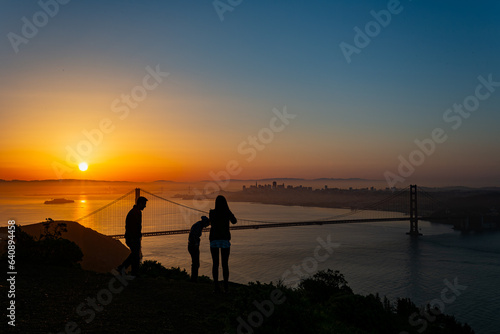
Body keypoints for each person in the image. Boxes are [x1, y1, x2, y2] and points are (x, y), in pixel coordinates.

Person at [209, 195, 237, 293]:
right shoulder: (227, 212)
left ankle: (216, 287)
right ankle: (226, 288)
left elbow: (211, 223)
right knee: (225, 264)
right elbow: (234, 221)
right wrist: (228, 212)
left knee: (215, 264)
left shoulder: (212, 213)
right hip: (224, 240)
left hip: (214, 240)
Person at [117, 196, 148, 277]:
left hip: (132, 237)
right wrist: (136, 237)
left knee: (135, 255)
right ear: (140, 203)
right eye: (144, 204)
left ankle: (126, 270)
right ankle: (130, 271)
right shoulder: (135, 212)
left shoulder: (135, 212)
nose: (145, 206)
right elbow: (133, 227)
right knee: (135, 255)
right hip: (132, 238)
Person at [188, 216, 210, 282]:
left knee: (195, 263)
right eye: (207, 224)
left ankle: (194, 278)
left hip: (192, 245)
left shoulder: (198, 225)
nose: (207, 226)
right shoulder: (198, 226)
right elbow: (193, 235)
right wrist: (195, 243)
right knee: (196, 263)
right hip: (193, 246)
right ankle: (194, 279)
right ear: (204, 222)